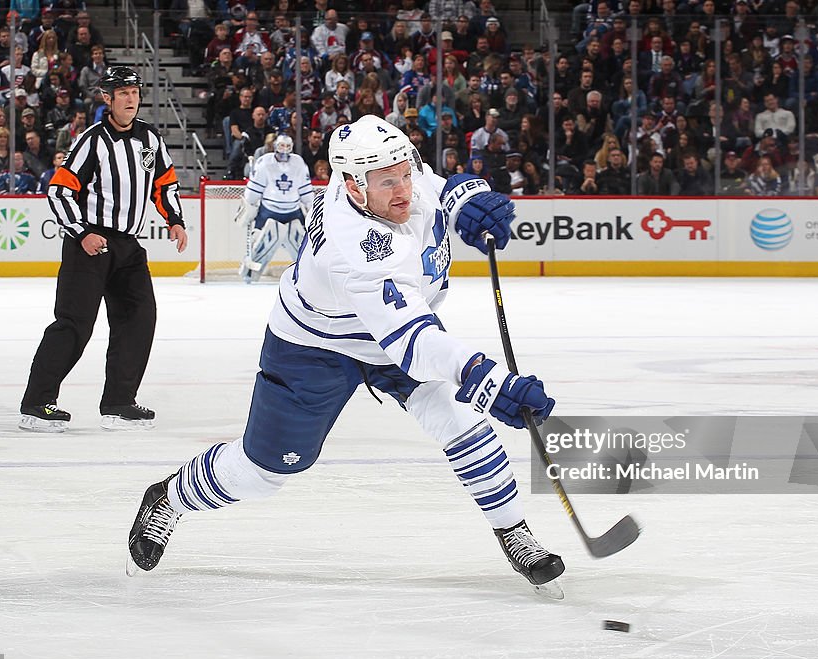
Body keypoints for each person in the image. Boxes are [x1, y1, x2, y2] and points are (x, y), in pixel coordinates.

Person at [126, 115, 564, 597]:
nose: (403, 190)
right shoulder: (357, 242)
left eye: (405, 173)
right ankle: (168, 498)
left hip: (394, 332)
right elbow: (412, 343)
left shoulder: (384, 177)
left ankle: (513, 532)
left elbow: (433, 186)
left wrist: (468, 198)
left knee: (461, 422)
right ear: (354, 189)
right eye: (387, 183)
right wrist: (487, 381)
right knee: (266, 471)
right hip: (316, 347)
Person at [18, 67, 188, 433]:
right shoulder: (91, 141)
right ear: (107, 98)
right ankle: (36, 404)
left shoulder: (150, 139)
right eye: (122, 92)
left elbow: (165, 183)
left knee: (139, 319)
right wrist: (81, 233)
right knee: (74, 325)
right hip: (90, 246)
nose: (131, 98)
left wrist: (175, 219)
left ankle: (118, 402)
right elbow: (60, 190)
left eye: (134, 91)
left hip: (128, 247)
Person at [235, 134, 315, 283]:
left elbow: (305, 191)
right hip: (268, 210)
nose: (284, 150)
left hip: (293, 211)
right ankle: (250, 274)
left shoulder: (298, 163)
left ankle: (308, 275)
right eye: (281, 146)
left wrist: (313, 209)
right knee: (259, 241)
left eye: (287, 146)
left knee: (304, 244)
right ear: (275, 146)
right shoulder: (264, 162)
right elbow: (254, 190)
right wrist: (248, 207)